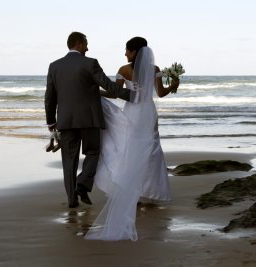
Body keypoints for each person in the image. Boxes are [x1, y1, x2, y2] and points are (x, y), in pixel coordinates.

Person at [85, 37, 179, 241]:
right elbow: (161, 94)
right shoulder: (154, 68)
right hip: (148, 112)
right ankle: (149, 192)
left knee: (130, 149)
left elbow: (114, 93)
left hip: (133, 113)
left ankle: (131, 191)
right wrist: (174, 84)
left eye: (127, 50)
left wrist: (95, 91)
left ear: (135, 51)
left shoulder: (124, 69)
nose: (125, 54)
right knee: (151, 150)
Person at [45, 32, 138, 209]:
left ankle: (72, 200)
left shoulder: (54, 66)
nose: (87, 48)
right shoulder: (90, 63)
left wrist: (51, 122)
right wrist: (133, 95)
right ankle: (82, 183)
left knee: (69, 161)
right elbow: (108, 86)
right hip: (90, 119)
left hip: (66, 121)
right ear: (79, 43)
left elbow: (50, 97)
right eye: (86, 44)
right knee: (93, 152)